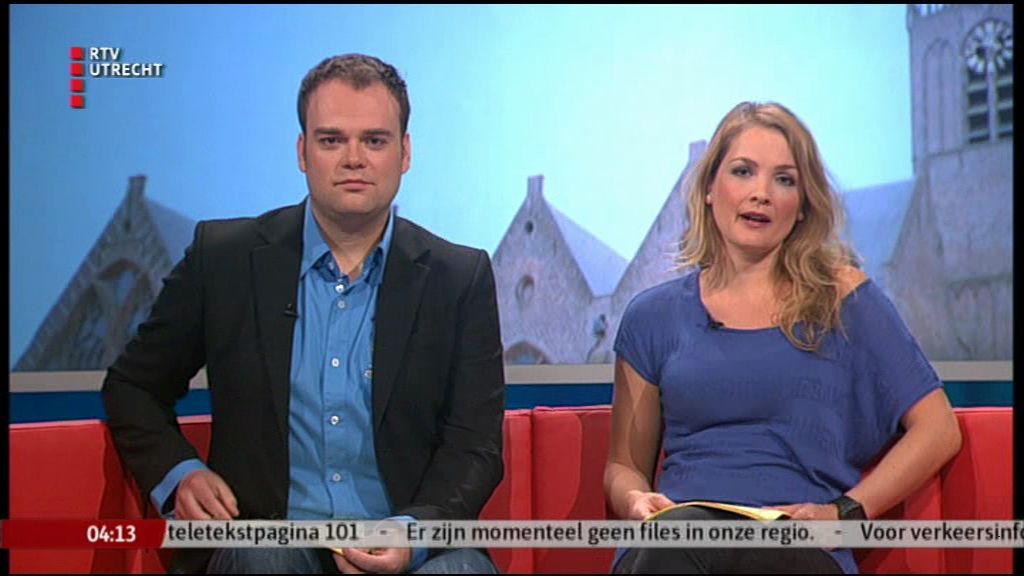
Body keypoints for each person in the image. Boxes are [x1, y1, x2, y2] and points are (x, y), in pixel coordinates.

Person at [102, 54, 505, 574]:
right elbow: (133, 386)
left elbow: (475, 445)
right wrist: (180, 474)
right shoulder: (224, 260)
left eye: (375, 140)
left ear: (404, 153)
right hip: (268, 540)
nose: (354, 159)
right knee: (267, 558)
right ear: (302, 151)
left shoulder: (458, 277)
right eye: (331, 140)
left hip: (409, 545)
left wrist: (411, 536)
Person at [604, 101, 962, 574]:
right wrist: (634, 499)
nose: (762, 194)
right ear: (709, 189)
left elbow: (938, 429)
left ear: (802, 205)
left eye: (784, 180)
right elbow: (624, 465)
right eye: (743, 172)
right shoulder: (653, 316)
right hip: (677, 539)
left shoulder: (844, 299)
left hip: (796, 544)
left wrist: (845, 513)